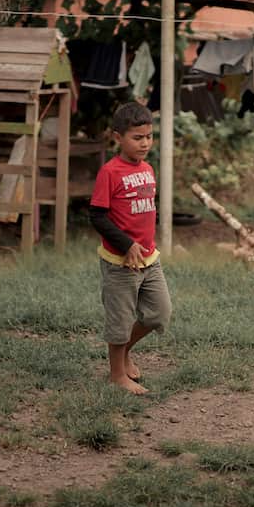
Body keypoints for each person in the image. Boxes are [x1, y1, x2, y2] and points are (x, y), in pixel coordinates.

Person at [89, 102, 172, 395]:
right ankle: (116, 375)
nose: (145, 143)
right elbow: (97, 215)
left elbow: (145, 210)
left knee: (158, 314)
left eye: (149, 136)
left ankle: (125, 353)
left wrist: (146, 241)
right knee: (120, 321)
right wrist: (127, 245)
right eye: (137, 138)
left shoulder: (148, 169)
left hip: (149, 259)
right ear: (118, 137)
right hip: (120, 262)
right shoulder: (110, 172)